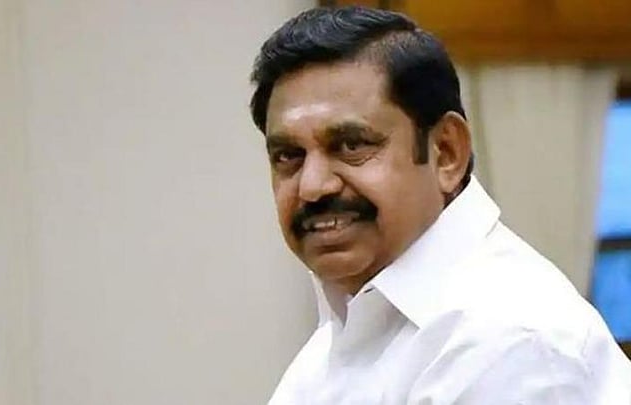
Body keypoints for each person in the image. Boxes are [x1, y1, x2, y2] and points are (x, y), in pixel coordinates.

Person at [249, 6, 631, 404]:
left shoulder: (512, 340)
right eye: (288, 156)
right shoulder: (345, 331)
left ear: (446, 153)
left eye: (351, 145)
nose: (312, 186)